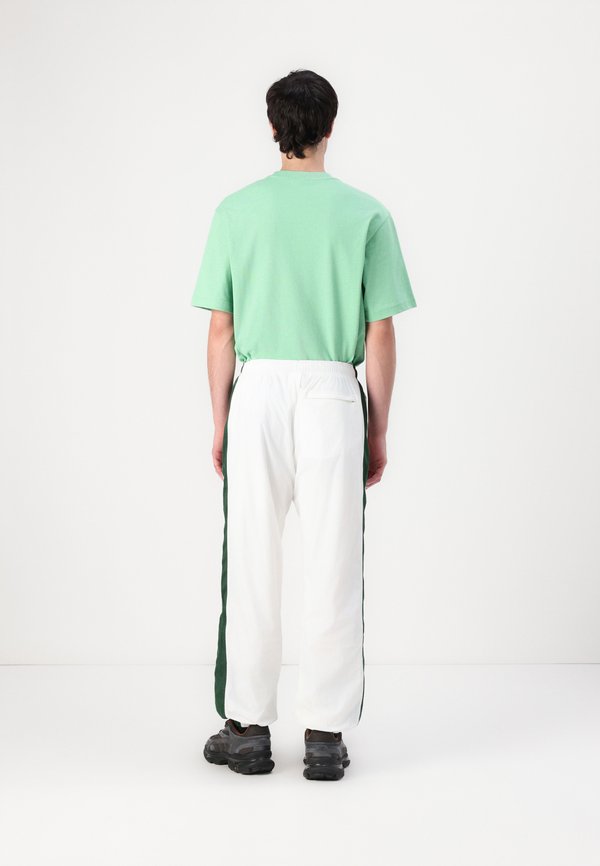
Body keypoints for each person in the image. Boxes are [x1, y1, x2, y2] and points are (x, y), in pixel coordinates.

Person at [192, 69, 416, 781]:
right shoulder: (367, 214)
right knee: (333, 561)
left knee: (251, 558)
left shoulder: (236, 211)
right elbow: (380, 333)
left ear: (272, 127)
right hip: (332, 393)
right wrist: (377, 429)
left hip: (257, 391)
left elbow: (221, 329)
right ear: (331, 127)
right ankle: (324, 736)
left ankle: (248, 730)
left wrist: (222, 419)